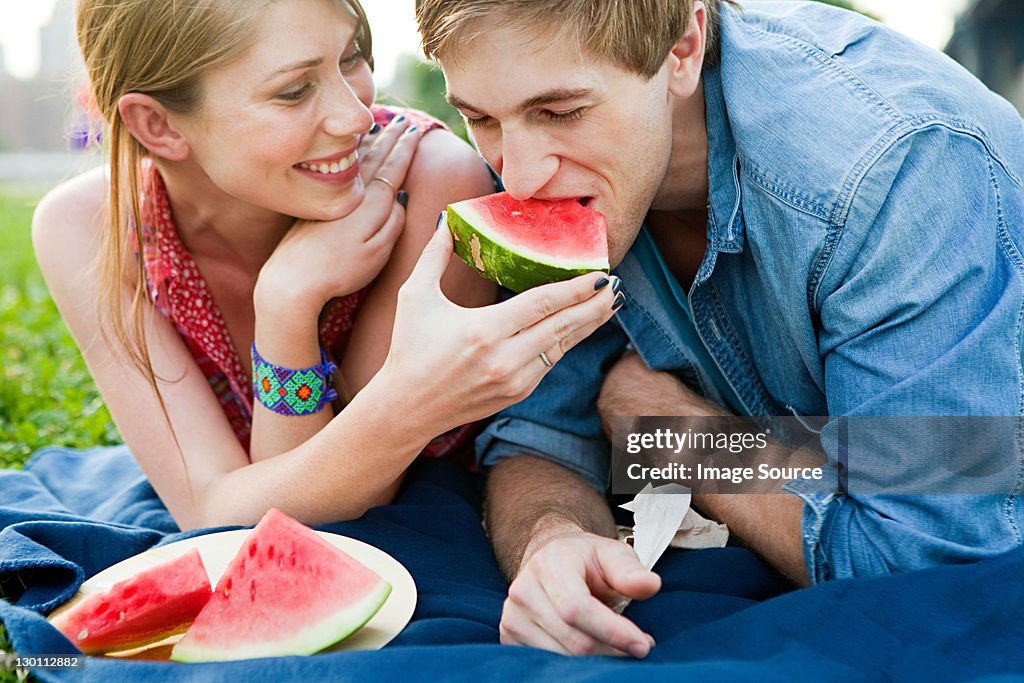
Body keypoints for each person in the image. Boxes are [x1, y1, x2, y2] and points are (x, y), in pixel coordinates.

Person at [415, 0, 1024, 659]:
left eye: (560, 112)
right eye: (478, 118)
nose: (522, 176)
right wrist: (552, 540)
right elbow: (542, 435)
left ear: (682, 48)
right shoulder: (573, 173)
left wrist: (673, 435)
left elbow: (925, 560)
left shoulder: (889, 171)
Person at [31, 0, 619, 532]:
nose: (357, 117)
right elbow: (209, 513)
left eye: (352, 57)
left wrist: (286, 306)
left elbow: (346, 497)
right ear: (157, 125)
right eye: (293, 91)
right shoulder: (88, 230)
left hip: (557, 465)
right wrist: (288, 298)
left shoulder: (434, 180)